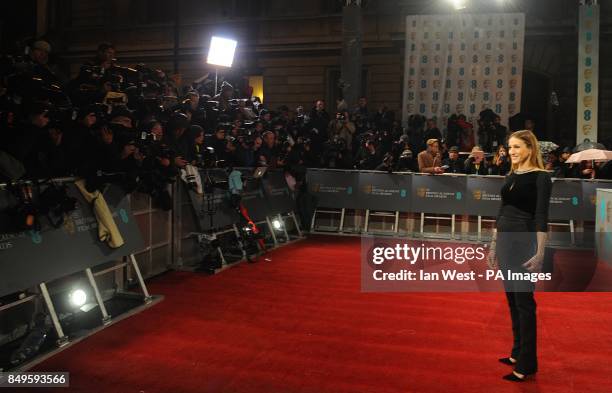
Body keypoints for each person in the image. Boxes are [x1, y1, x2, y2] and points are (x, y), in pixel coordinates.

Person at [487, 130, 552, 382]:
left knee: (524, 303)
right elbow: (501, 210)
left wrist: (540, 252)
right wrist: (493, 246)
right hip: (504, 241)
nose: (511, 151)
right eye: (509, 147)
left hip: (524, 243)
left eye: (516, 147)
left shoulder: (541, 177)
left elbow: (541, 216)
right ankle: (516, 352)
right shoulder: (511, 174)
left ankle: (527, 364)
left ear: (529, 148)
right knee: (512, 300)